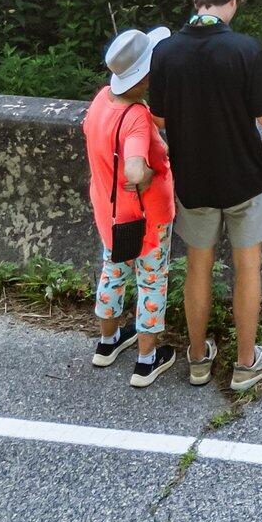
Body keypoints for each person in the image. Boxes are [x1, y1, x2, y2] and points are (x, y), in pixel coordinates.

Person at [148, 0, 262, 391]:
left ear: (196, 0)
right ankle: (246, 364)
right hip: (245, 177)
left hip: (194, 180)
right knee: (247, 268)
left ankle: (196, 359)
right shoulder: (244, 50)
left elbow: (158, 116)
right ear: (233, 1)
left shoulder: (166, 52)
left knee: (197, 267)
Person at [84, 26, 178, 387]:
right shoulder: (137, 118)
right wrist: (151, 172)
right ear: (143, 75)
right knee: (151, 281)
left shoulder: (102, 100)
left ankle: (107, 343)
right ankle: (146, 360)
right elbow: (136, 167)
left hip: (110, 214)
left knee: (113, 271)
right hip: (146, 218)